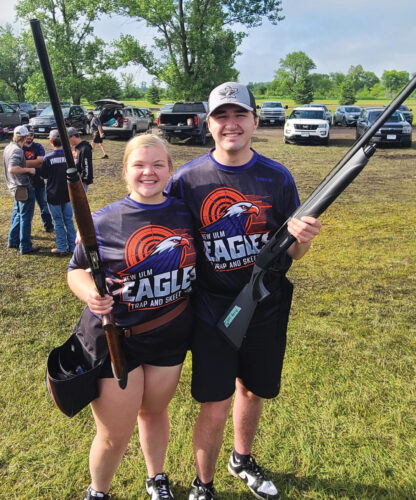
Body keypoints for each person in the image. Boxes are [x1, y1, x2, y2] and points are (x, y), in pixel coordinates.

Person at [166, 82, 322, 500]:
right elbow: (162, 229)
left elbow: (295, 252)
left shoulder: (277, 177)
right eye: (222, 115)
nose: (231, 124)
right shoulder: (186, 180)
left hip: (265, 303)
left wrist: (304, 238)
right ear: (208, 124)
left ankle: (241, 458)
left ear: (255, 121)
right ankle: (203, 484)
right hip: (212, 308)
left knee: (252, 390)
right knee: (215, 401)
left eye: (239, 115)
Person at [67, 134, 196, 500]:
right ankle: (98, 491)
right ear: (125, 171)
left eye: (157, 164)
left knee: (154, 413)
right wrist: (90, 294)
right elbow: (75, 271)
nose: (148, 172)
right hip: (117, 338)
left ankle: (157, 478)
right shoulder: (102, 221)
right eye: (139, 165)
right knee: (114, 433)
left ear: (170, 170)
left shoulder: (186, 214)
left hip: (169, 335)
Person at [39, 129, 76, 256]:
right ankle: (73, 247)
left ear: (51, 141)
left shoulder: (48, 157)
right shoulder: (69, 155)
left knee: (58, 221)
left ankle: (61, 247)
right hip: (68, 193)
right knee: (69, 220)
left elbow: (43, 175)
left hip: (53, 194)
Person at [4, 125, 38, 254]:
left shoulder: (8, 147)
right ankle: (25, 246)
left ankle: (13, 240)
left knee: (19, 214)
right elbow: (12, 169)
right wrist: (29, 170)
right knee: (25, 218)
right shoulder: (17, 151)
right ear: (24, 137)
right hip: (22, 187)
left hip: (13, 186)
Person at [22, 129, 54, 233]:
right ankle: (24, 232)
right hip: (24, 183)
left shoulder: (38, 146)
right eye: (27, 135)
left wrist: (23, 163)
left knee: (44, 205)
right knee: (25, 209)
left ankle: (48, 226)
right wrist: (35, 162)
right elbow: (18, 164)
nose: (29, 137)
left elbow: (41, 162)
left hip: (38, 180)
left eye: (31, 135)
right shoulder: (20, 148)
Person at [67, 126, 93, 192]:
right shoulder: (74, 147)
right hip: (73, 180)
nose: (67, 141)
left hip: (81, 183)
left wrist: (82, 181)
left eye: (68, 138)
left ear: (73, 137)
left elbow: (86, 167)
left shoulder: (85, 149)